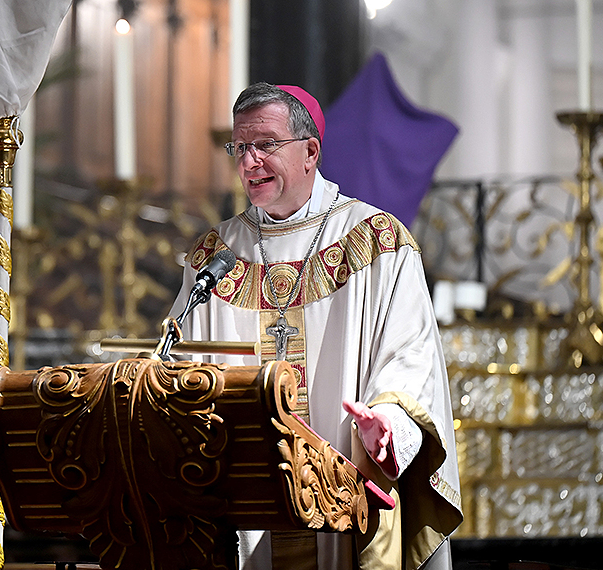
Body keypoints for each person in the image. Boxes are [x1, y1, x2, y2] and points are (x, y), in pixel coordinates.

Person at [168, 82, 462, 570]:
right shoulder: (216, 254)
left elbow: (411, 356)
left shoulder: (377, 242)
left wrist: (388, 425)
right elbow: (181, 365)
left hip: (347, 486)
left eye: (265, 144)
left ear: (310, 152)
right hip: (246, 504)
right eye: (240, 147)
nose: (249, 162)